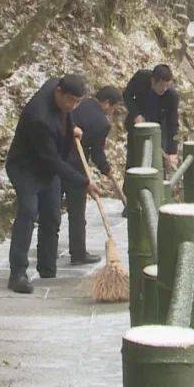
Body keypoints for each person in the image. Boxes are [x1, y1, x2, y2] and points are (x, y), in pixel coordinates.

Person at [4, 74, 99, 294]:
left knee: (53, 215)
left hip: (48, 167)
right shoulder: (39, 117)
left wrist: (71, 127)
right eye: (70, 101)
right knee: (28, 212)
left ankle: (47, 268)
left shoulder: (56, 87)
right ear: (59, 92)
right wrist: (84, 182)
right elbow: (53, 161)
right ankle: (17, 273)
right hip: (25, 167)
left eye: (77, 102)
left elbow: (66, 115)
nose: (73, 106)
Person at [63, 85, 122, 265]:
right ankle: (78, 253)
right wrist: (107, 169)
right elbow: (97, 153)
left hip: (56, 159)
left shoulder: (79, 104)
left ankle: (47, 256)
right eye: (113, 107)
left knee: (51, 210)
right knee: (76, 212)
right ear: (105, 103)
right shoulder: (101, 123)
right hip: (76, 166)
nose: (112, 112)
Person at [123, 64, 181, 170]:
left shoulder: (172, 96)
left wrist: (172, 152)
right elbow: (127, 95)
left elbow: (173, 123)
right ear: (152, 81)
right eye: (161, 86)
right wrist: (136, 114)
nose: (164, 89)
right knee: (134, 160)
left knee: (157, 163)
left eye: (167, 86)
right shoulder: (141, 78)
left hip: (158, 127)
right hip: (137, 125)